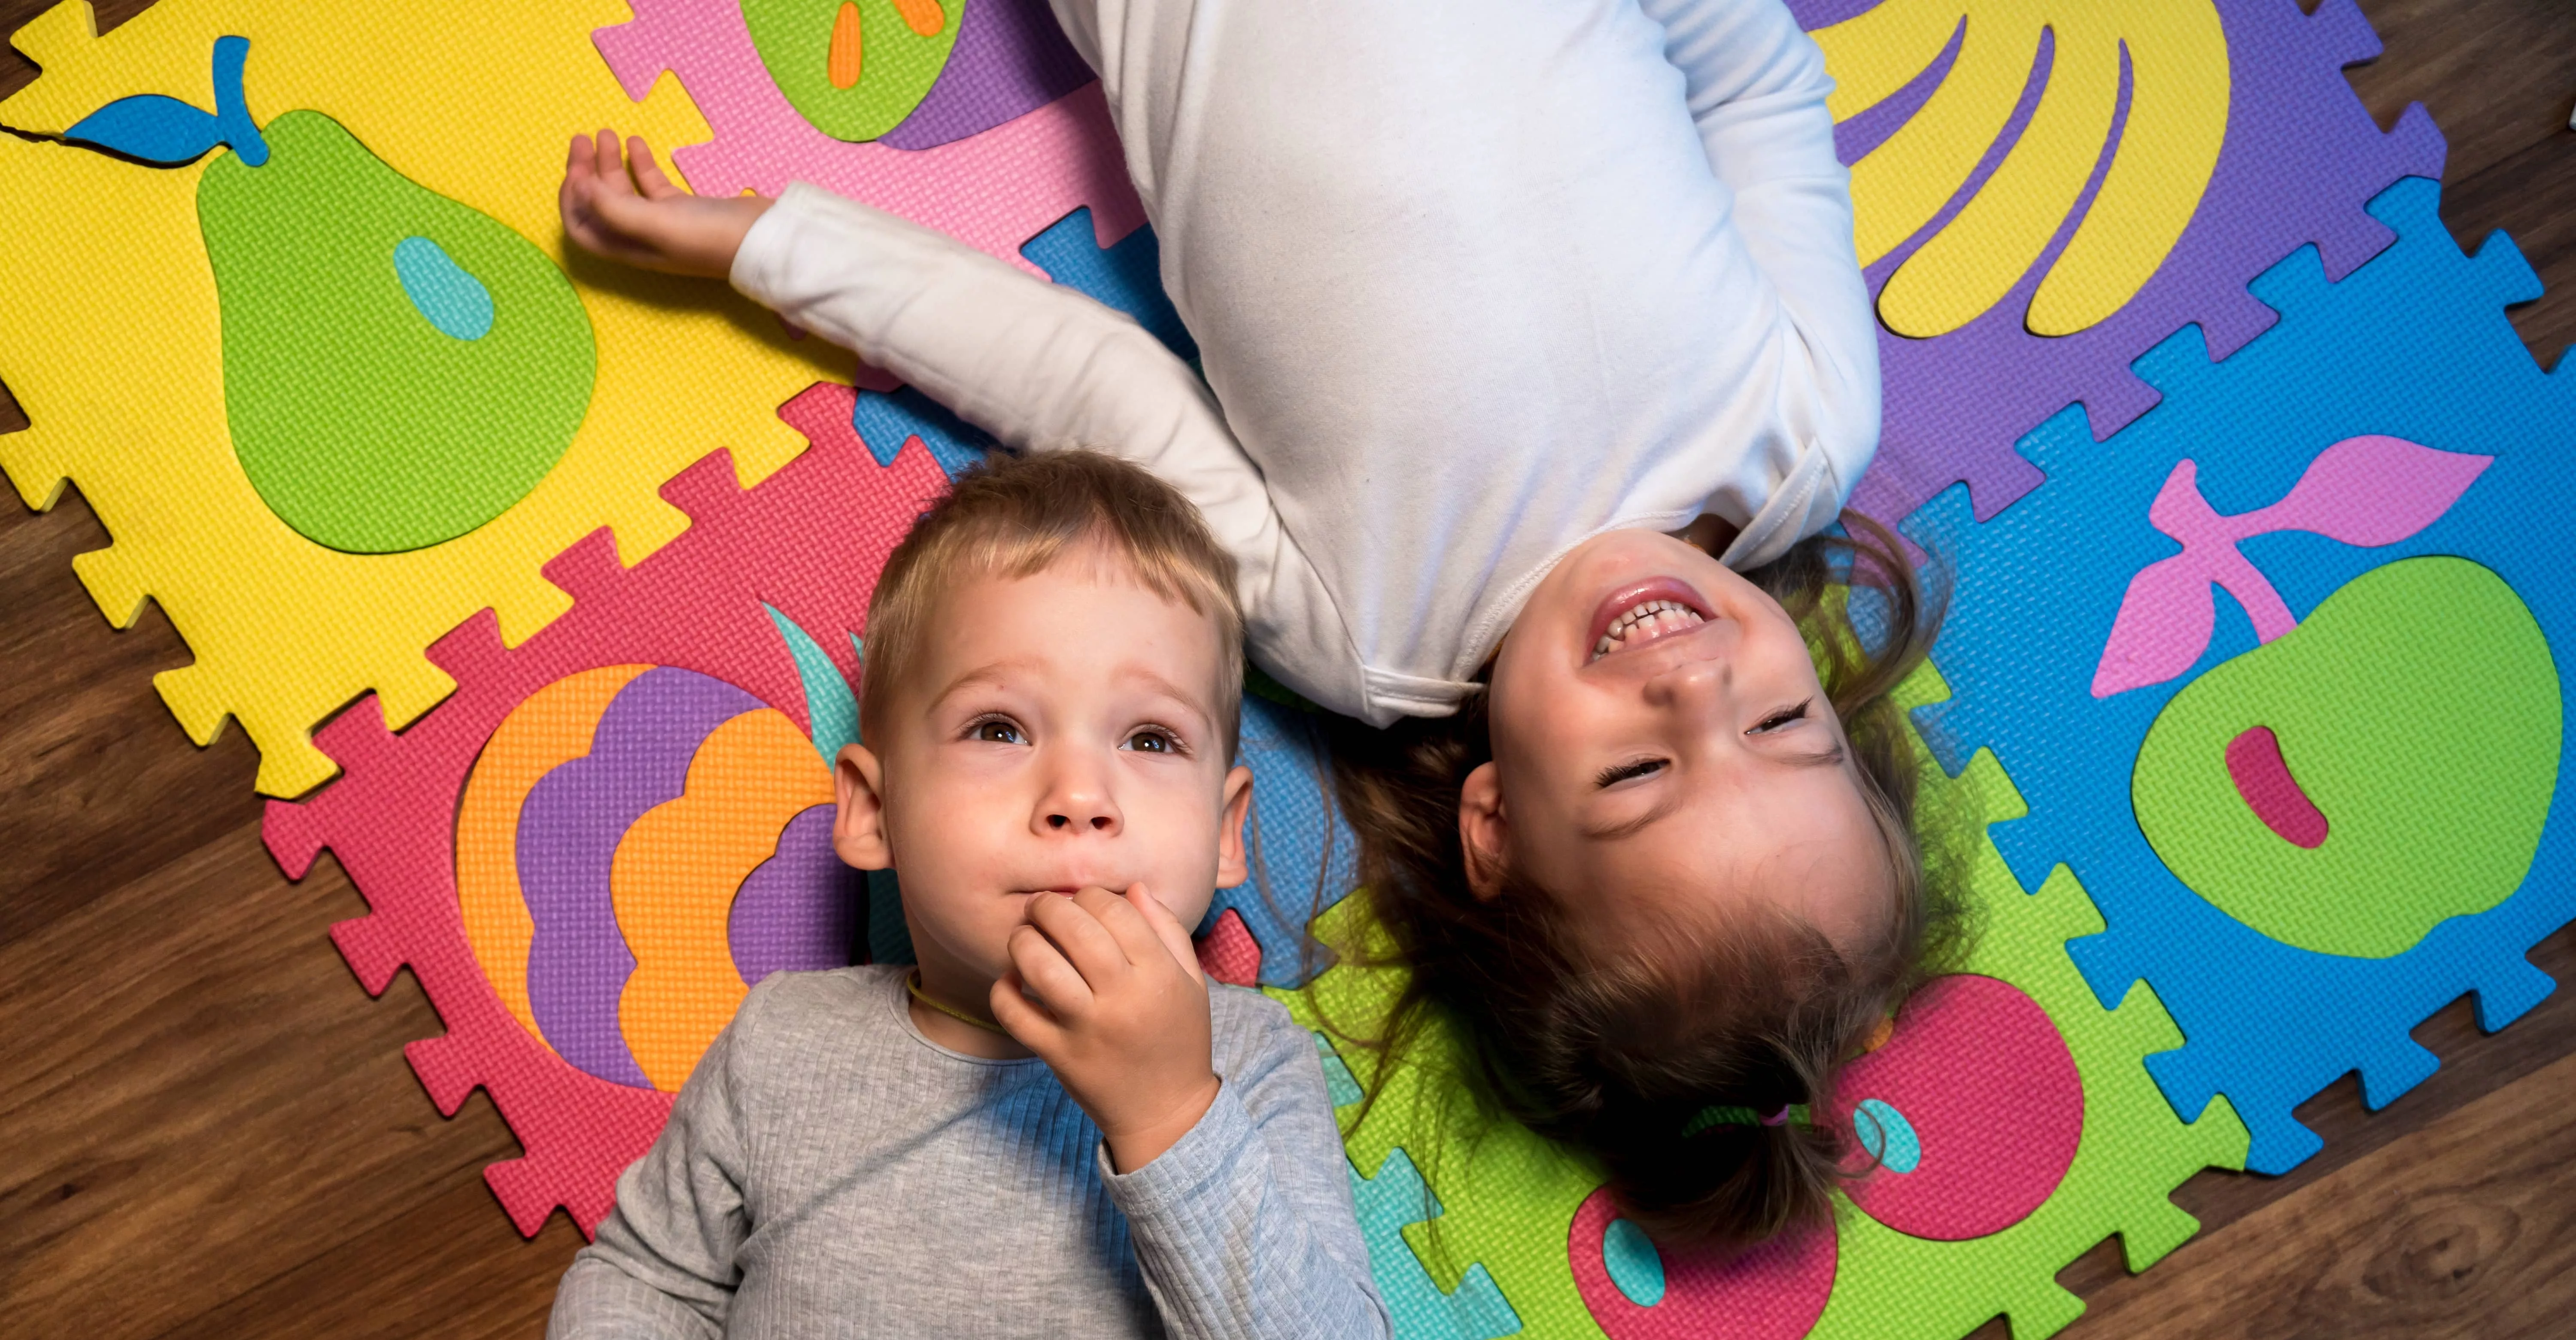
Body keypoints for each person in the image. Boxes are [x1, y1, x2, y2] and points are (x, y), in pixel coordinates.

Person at [557, 0, 1956, 1247]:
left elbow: (1086, 383)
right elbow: (1758, 88)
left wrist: (773, 244)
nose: (1692, 682)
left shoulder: (1361, 623)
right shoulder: (1805, 428)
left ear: (1494, 828)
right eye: (1785, 723)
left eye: (1639, 774)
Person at [538, 452, 1391, 1340]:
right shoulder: (787, 1047)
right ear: (874, 812)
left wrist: (1166, 1116)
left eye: (1149, 739)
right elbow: (648, 1272)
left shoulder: (1250, 1065)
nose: (1080, 799)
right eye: (1001, 729)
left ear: (1223, 834)